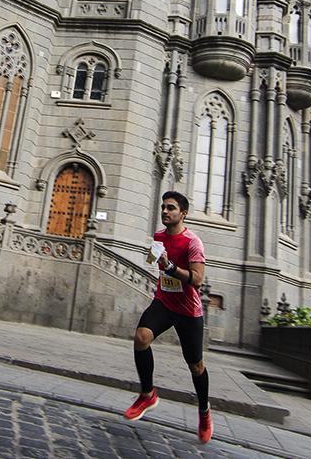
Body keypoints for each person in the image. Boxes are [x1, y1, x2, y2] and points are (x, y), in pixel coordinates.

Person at [123, 190, 212, 443]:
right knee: (141, 337)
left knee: (195, 366)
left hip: (187, 310)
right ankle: (147, 394)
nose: (164, 211)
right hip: (163, 301)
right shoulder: (159, 235)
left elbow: (197, 280)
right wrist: (155, 258)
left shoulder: (193, 242)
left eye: (171, 208)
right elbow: (156, 260)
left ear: (182, 214)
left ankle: (204, 411)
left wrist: (170, 266)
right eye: (163, 207)